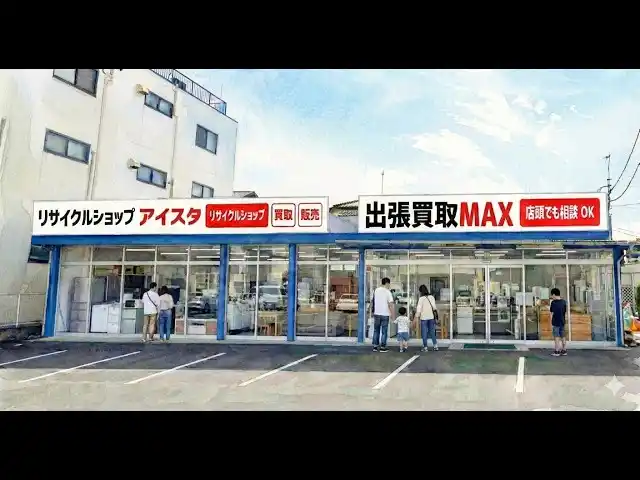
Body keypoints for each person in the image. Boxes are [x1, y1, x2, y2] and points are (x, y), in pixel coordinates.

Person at [371, 277, 394, 352]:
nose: (389, 285)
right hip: (385, 314)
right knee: (384, 331)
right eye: (389, 284)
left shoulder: (376, 290)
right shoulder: (388, 292)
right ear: (387, 283)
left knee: (376, 330)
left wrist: (372, 312)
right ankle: (383, 347)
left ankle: (375, 346)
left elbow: (373, 301)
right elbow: (391, 304)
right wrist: (392, 315)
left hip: (377, 313)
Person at [414, 285, 438, 352]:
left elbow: (419, 309)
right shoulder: (431, 297)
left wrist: (416, 317)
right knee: (432, 332)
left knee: (424, 333)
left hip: (424, 318)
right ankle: (435, 346)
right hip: (431, 317)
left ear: (420, 291)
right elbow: (434, 307)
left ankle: (425, 347)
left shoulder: (421, 299)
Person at [549, 287, 567, 356]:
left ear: (554, 294)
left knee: (556, 336)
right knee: (563, 336)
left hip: (555, 322)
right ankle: (564, 350)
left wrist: (551, 322)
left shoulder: (553, 303)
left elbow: (552, 313)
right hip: (562, 321)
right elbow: (564, 312)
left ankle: (557, 351)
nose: (551, 297)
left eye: (552, 295)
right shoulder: (563, 302)